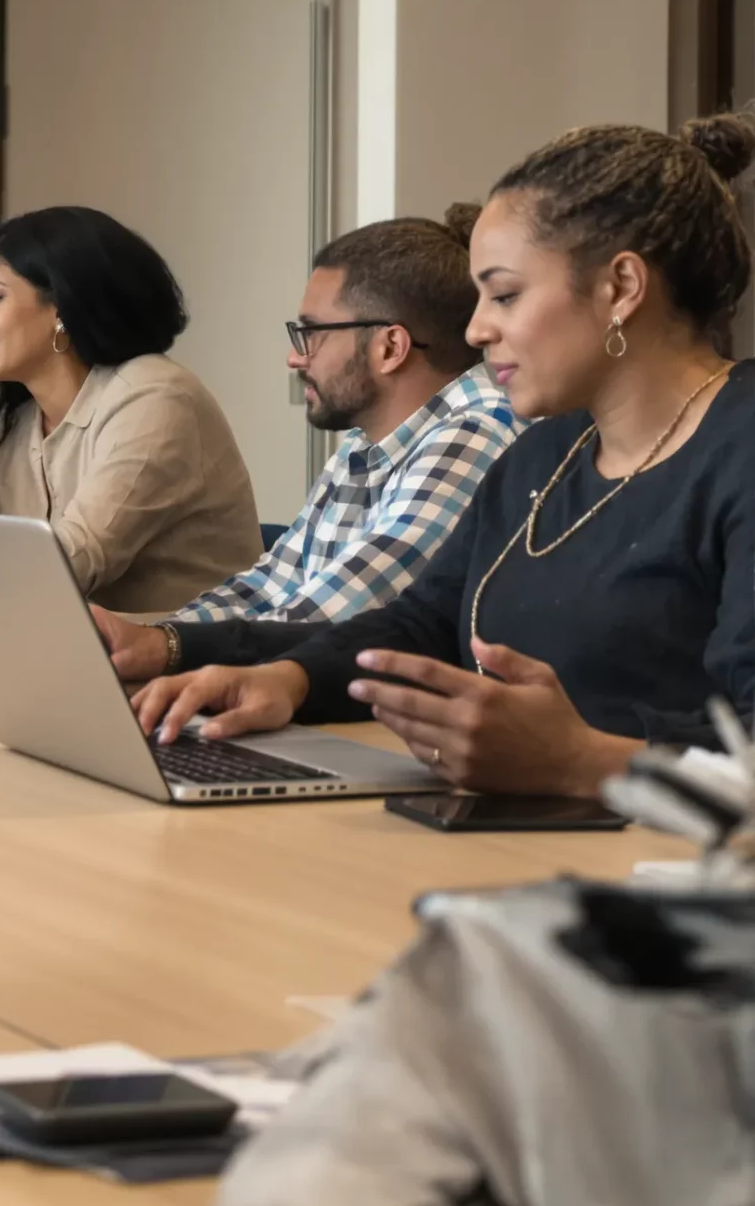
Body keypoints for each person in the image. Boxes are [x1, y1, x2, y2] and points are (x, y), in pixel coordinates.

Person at [133, 115, 755, 795]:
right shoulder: (546, 451)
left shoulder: (738, 449)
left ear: (621, 288)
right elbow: (423, 619)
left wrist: (584, 759)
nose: (476, 327)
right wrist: (290, 679)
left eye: (506, 294)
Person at [93, 211, 522, 678]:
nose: (296, 357)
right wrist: (156, 640)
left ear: (390, 347)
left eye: (312, 332)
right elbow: (267, 587)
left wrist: (170, 649)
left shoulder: (475, 433)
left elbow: (333, 620)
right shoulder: (363, 444)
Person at [0, 206, 262, 614]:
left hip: (191, 663)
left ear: (61, 308)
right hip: (75, 652)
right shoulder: (16, 417)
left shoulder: (156, 397)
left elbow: (76, 561)